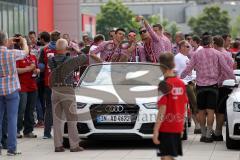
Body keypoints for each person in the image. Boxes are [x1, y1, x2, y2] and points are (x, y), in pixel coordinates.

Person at [181, 35, 235, 143]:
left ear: (201, 43)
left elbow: (188, 68)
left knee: (201, 110)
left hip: (200, 86)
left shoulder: (196, 54)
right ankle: (209, 134)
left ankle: (203, 134)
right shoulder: (217, 53)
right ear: (211, 43)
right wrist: (234, 79)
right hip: (213, 86)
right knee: (210, 111)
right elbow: (226, 68)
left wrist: (179, 78)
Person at [48, 39, 87, 152]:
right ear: (66, 48)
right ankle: (74, 145)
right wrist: (77, 50)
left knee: (57, 119)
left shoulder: (51, 60)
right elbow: (84, 58)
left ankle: (58, 145)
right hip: (67, 89)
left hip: (55, 90)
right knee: (71, 118)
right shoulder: (70, 60)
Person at [153, 53, 187, 160]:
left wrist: (155, 130)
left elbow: (162, 109)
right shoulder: (181, 83)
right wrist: (182, 126)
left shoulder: (163, 85)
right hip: (177, 125)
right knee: (169, 156)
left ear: (161, 66)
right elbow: (184, 106)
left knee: (165, 157)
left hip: (166, 127)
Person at [0, 31, 29, 156]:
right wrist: (24, 42)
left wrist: (6, 42)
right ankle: (11, 149)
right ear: (5, 41)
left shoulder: (7, 50)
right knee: (12, 119)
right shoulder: (11, 53)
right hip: (11, 88)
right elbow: (25, 52)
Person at [174, 40, 201, 134]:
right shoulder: (177, 58)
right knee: (193, 104)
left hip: (190, 82)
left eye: (189, 46)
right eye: (187, 46)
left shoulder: (185, 57)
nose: (189, 48)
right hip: (184, 84)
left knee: (195, 105)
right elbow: (175, 71)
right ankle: (197, 126)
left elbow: (190, 70)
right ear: (181, 47)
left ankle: (198, 126)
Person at [39, 31, 61, 139]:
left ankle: (46, 133)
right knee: (60, 107)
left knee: (49, 108)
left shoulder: (44, 49)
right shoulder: (62, 49)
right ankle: (59, 133)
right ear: (59, 38)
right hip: (60, 83)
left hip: (48, 82)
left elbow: (41, 66)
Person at [212, 36, 234, 141]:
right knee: (219, 109)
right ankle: (218, 132)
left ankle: (218, 133)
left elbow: (223, 71)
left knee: (220, 110)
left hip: (223, 85)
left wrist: (217, 82)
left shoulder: (221, 54)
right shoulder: (226, 53)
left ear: (215, 44)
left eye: (212, 44)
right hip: (227, 84)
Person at [16, 39, 39, 138]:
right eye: (26, 45)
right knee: (21, 109)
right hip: (22, 87)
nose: (29, 47)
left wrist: (37, 70)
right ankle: (16, 130)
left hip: (32, 86)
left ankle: (28, 131)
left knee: (30, 110)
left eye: (29, 46)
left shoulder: (33, 56)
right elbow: (16, 70)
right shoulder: (17, 57)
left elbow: (37, 68)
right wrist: (28, 69)